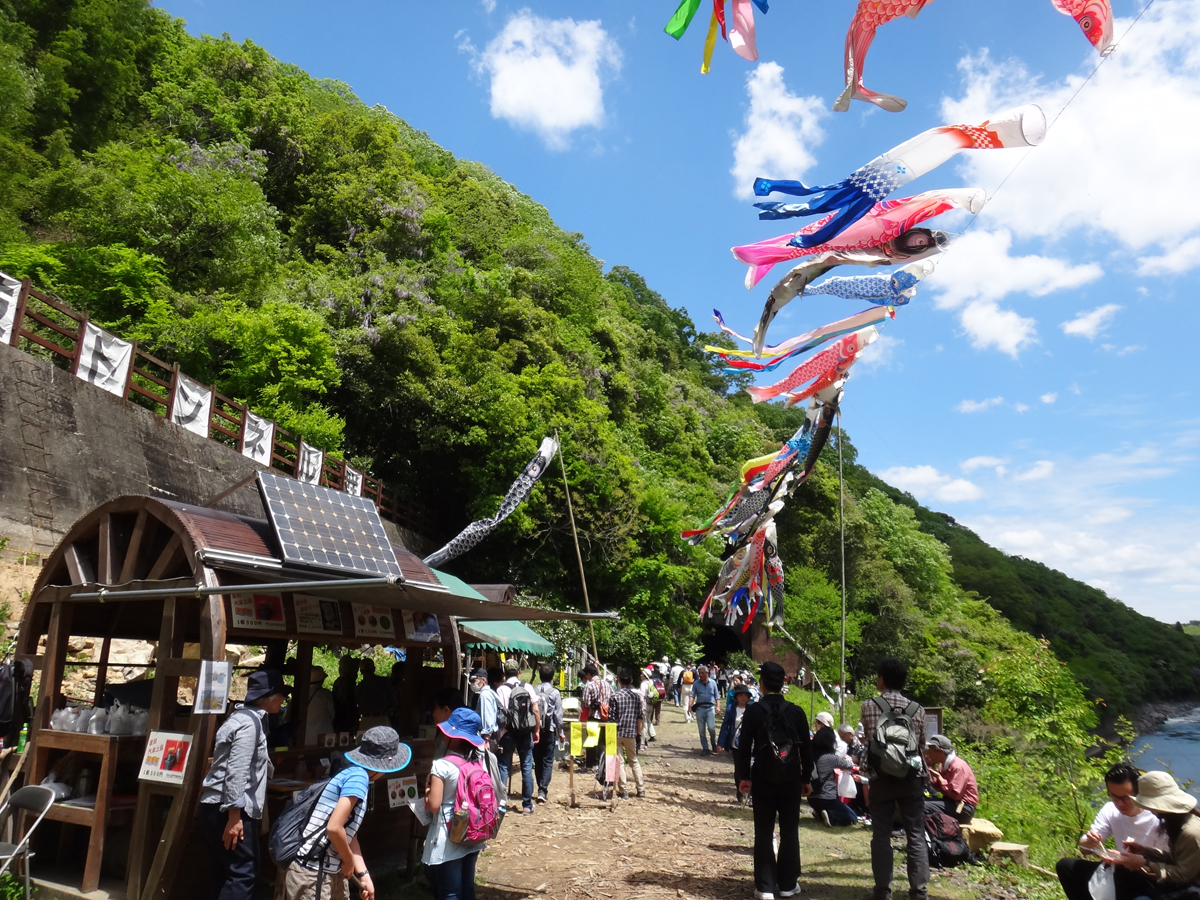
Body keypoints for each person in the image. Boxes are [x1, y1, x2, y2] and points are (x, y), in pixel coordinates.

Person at [285, 726, 411, 900]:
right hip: (313, 871)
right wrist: (349, 860)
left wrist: (363, 874)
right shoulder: (358, 779)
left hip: (331, 870)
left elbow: (350, 837)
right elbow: (335, 828)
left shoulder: (356, 776)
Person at [200, 670, 288, 900]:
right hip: (228, 808)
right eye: (280, 695)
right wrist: (234, 815)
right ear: (268, 697)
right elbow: (237, 770)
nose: (283, 700)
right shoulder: (249, 724)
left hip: (217, 805)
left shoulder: (241, 718)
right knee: (244, 872)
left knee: (226, 867)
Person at [736, 662, 813, 900]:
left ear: (761, 684)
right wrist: (806, 777)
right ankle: (788, 884)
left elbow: (743, 748)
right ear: (784, 684)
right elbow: (806, 749)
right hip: (790, 779)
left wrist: (743, 777)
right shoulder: (797, 712)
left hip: (763, 778)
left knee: (763, 830)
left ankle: (765, 886)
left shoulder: (753, 711)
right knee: (790, 831)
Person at [862, 657, 928, 900]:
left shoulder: (869, 706)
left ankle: (883, 892)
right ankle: (919, 892)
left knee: (881, 833)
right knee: (916, 834)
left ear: (881, 680)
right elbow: (920, 746)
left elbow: (870, 741)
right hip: (912, 778)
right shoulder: (917, 710)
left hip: (880, 777)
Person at [1056, 764, 1173, 900]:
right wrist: (1091, 842)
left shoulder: (1156, 818)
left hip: (1148, 877)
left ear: (1138, 794)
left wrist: (1137, 862)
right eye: (1113, 796)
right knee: (1066, 866)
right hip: (1119, 870)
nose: (1119, 803)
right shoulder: (1110, 810)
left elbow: (1167, 865)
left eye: (1125, 798)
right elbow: (1084, 849)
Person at [423, 708, 490, 900]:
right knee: (467, 889)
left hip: (449, 834)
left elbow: (434, 805)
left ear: (452, 735)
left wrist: (427, 791)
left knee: (450, 892)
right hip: (474, 830)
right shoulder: (479, 762)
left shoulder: (442, 765)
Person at [1108, 771, 1200, 900]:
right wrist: (1145, 851)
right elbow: (1178, 859)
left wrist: (1145, 863)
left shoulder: (1191, 832)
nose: (1151, 810)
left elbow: (1182, 875)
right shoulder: (1178, 824)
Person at [495, 659, 540, 816]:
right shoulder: (527, 687)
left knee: (504, 767)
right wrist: (536, 730)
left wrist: (499, 733)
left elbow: (499, 714)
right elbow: (535, 709)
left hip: (507, 733)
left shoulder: (501, 689)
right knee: (526, 767)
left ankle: (501, 804)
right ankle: (527, 805)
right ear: (519, 672)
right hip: (526, 732)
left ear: (505, 673)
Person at [809, 726, 859, 827]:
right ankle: (831, 816)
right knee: (853, 817)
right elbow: (848, 765)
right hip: (827, 798)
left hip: (812, 797)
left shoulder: (810, 756)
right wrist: (849, 758)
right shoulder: (830, 758)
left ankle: (819, 812)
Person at [608, 669, 646, 799]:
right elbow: (639, 717)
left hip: (617, 733)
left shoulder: (614, 697)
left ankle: (623, 790)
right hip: (631, 733)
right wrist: (638, 734)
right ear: (631, 681)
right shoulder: (636, 697)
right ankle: (641, 789)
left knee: (619, 761)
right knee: (634, 761)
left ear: (618, 680)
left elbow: (611, 718)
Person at [922, 735, 978, 823]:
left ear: (940, 751)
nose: (928, 752)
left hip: (962, 808)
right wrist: (930, 768)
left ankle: (925, 834)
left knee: (922, 806)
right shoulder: (943, 765)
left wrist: (940, 779)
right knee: (918, 802)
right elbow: (937, 787)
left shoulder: (958, 767)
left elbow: (955, 795)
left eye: (931, 750)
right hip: (950, 803)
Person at [533, 663, 563, 804]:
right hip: (549, 730)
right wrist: (560, 732)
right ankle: (543, 790)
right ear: (552, 677)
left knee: (537, 760)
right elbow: (558, 715)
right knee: (548, 760)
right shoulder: (555, 693)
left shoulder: (533, 690)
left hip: (535, 730)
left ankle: (540, 786)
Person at [580, 664, 611, 771]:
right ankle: (602, 765)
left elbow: (586, 703)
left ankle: (591, 765)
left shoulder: (589, 686)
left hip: (593, 716)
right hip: (605, 716)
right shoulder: (607, 684)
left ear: (588, 674)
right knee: (602, 741)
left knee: (592, 741)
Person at [356, 659, 395, 729]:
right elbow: (393, 700)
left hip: (366, 719)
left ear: (361, 671)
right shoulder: (384, 682)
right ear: (374, 669)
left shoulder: (359, 687)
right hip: (382, 718)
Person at [690, 665, 721, 755]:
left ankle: (713, 743)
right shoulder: (696, 683)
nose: (701, 675)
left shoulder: (713, 683)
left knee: (711, 728)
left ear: (707, 673)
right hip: (700, 709)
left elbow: (717, 696)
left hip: (710, 708)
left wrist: (718, 707)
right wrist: (690, 705)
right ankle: (705, 748)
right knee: (701, 730)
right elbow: (692, 695)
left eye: (703, 673)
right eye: (699, 673)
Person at [303, 665, 337, 747]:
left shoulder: (301, 694)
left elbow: (287, 716)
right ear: (321, 680)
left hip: (304, 737)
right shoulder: (325, 694)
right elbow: (332, 714)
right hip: (323, 735)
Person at [331, 655, 359, 735]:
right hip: (345, 716)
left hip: (341, 716)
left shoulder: (341, 681)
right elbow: (350, 700)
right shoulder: (347, 681)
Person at [470, 668, 499, 742]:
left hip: (488, 738)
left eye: (474, 680)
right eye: (471, 681)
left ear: (483, 680)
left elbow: (487, 716)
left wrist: (486, 737)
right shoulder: (490, 692)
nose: (472, 683)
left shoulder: (484, 695)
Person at [639, 668, 659, 748]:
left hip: (645, 705)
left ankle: (645, 738)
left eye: (642, 674)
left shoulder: (643, 684)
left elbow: (642, 696)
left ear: (644, 675)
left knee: (645, 722)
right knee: (648, 720)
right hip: (650, 704)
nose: (640, 675)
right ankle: (653, 735)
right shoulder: (650, 683)